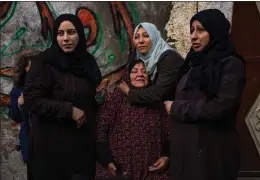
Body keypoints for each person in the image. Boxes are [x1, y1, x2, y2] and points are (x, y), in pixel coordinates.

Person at [164, 9, 246, 180]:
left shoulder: (230, 64)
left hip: (211, 154)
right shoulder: (193, 63)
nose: (194, 36)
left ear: (215, 31)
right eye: (192, 30)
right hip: (185, 153)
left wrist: (177, 108)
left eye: (200, 30)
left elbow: (221, 106)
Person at [24, 14, 102, 180]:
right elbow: (32, 100)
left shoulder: (88, 63)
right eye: (60, 34)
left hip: (81, 151)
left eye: (71, 32)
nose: (66, 38)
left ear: (80, 34)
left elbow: (90, 99)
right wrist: (69, 110)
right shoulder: (43, 63)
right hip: (50, 151)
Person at [95, 60, 170, 180]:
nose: (140, 74)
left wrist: (166, 156)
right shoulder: (115, 98)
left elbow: (169, 133)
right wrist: (107, 160)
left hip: (153, 172)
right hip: (120, 173)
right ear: (127, 76)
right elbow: (101, 130)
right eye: (134, 71)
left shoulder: (157, 102)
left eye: (144, 72)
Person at [118, 22, 184, 104]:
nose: (141, 41)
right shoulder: (145, 60)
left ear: (154, 37)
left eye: (146, 35)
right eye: (136, 37)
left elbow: (158, 93)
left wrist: (128, 91)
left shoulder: (169, 58)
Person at [8, 50, 38, 163]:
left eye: (34, 65)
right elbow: (15, 117)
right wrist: (19, 104)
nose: (30, 68)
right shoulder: (17, 90)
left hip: (49, 139)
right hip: (29, 138)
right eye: (27, 66)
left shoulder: (49, 86)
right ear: (23, 68)